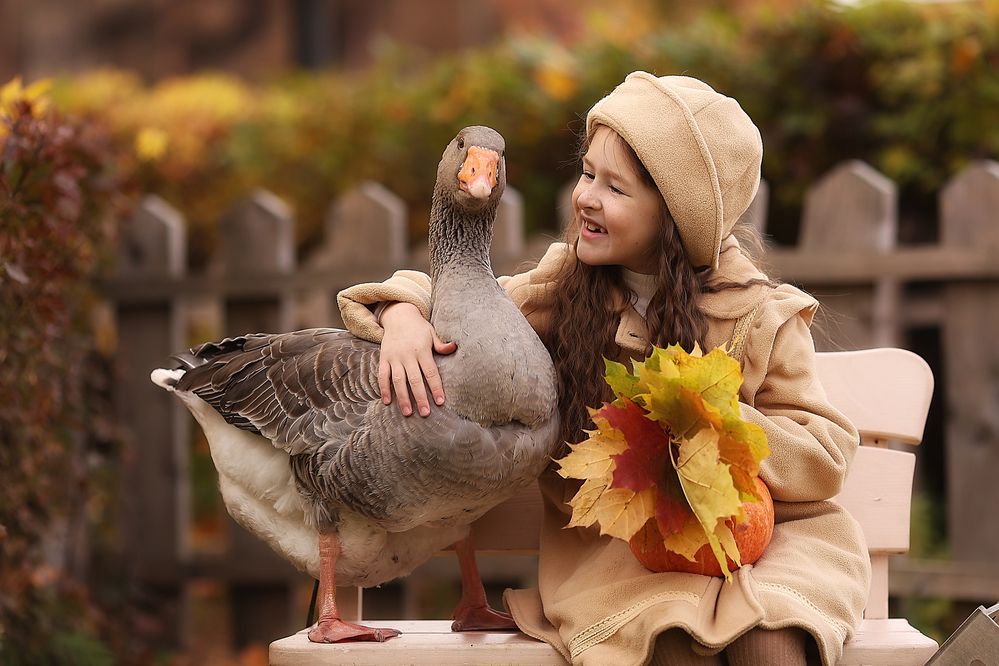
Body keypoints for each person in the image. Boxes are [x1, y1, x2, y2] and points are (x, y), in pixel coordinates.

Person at [336, 72, 870, 666]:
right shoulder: (560, 295)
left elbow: (825, 455)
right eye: (588, 173)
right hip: (628, 555)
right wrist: (403, 313)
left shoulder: (758, 314)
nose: (587, 196)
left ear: (674, 217)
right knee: (670, 642)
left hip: (772, 544)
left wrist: (718, 423)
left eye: (615, 188)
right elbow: (451, 288)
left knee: (772, 640)